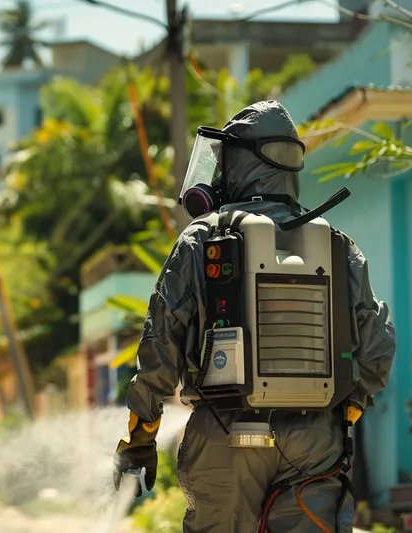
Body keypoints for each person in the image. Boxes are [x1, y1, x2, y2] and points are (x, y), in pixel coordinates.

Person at [111, 100, 396, 532]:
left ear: (238, 162)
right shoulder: (339, 246)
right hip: (316, 442)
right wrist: (346, 412)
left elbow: (160, 344)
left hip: (225, 435)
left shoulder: (203, 237)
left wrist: (140, 441)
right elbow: (378, 346)